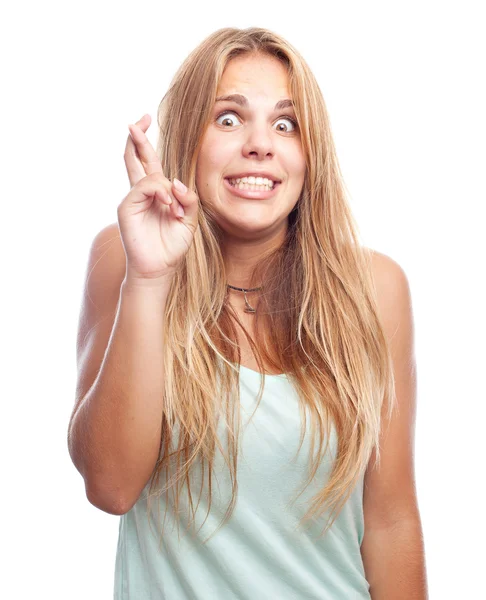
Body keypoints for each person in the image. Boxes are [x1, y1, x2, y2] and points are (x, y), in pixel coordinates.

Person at [67, 27, 428, 600]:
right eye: (229, 119)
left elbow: (390, 521)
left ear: (310, 154)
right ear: (189, 139)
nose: (261, 144)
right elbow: (110, 487)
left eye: (285, 124)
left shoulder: (376, 289)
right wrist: (149, 278)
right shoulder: (124, 258)